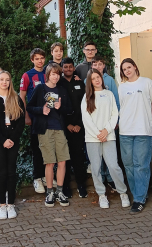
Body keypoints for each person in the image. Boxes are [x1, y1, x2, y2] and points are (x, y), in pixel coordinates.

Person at [81, 69, 130, 209]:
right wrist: (98, 133)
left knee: (113, 166)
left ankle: (122, 192)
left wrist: (106, 131)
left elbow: (115, 114)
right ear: (90, 81)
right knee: (96, 168)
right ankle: (101, 194)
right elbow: (86, 119)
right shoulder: (86, 97)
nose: (97, 80)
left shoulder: (109, 94)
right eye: (93, 78)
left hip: (108, 136)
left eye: (98, 77)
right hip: (92, 138)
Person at [27, 63, 72, 207]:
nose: (56, 76)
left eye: (58, 74)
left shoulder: (62, 90)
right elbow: (29, 107)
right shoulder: (40, 88)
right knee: (49, 162)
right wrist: (42, 110)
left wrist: (60, 108)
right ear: (48, 75)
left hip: (59, 129)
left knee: (62, 161)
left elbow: (69, 109)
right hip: (45, 130)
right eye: (53, 74)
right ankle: (50, 192)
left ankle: (59, 191)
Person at [118, 58, 152, 214]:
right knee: (128, 165)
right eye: (124, 69)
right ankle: (137, 194)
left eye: (129, 67)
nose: (127, 71)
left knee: (140, 165)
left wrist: (149, 123)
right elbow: (121, 108)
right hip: (125, 131)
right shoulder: (122, 87)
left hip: (142, 130)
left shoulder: (147, 83)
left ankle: (140, 199)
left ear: (135, 67)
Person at [0, 70, 25, 219]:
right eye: (1, 79)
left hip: (13, 140)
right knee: (1, 172)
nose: (4, 82)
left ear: (10, 82)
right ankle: (2, 204)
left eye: (7, 80)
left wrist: (13, 139)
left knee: (11, 172)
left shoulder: (16, 99)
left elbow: (21, 123)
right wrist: (3, 140)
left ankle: (11, 204)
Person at [89, 56, 122, 191]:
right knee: (96, 164)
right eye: (95, 64)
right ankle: (101, 185)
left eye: (100, 64)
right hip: (94, 134)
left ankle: (113, 181)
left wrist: (113, 124)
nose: (97, 66)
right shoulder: (87, 84)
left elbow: (116, 104)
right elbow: (86, 114)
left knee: (112, 161)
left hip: (108, 129)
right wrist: (97, 132)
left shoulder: (110, 83)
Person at [59, 58, 88, 198]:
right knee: (65, 158)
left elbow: (85, 105)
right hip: (64, 127)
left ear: (73, 68)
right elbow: (58, 109)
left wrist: (79, 125)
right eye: (65, 67)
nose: (68, 69)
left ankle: (81, 185)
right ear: (62, 68)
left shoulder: (80, 83)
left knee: (78, 158)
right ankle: (65, 187)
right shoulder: (58, 84)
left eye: (70, 67)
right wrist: (68, 125)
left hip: (79, 127)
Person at [20, 48, 47, 194]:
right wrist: (26, 115)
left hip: (49, 117)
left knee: (48, 147)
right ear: (32, 60)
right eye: (37, 58)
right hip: (35, 117)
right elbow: (22, 96)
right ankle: (37, 178)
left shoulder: (48, 73)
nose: (40, 61)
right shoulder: (27, 75)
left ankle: (46, 176)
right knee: (36, 148)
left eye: (42, 58)